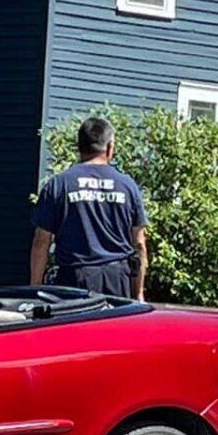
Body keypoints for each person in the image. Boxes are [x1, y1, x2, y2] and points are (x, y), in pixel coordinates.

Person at [31, 115, 149, 298]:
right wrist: (139, 293)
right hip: (116, 280)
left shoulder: (58, 185)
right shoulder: (128, 186)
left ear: (79, 146)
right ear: (110, 147)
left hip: (74, 280)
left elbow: (41, 242)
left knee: (77, 327)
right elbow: (140, 244)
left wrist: (35, 289)